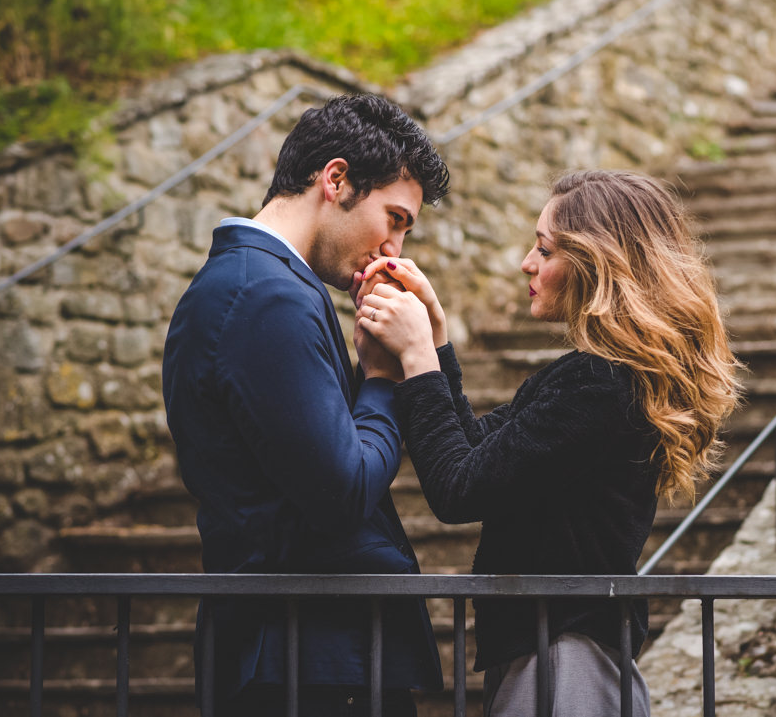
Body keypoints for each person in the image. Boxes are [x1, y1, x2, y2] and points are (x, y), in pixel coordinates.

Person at [355, 169, 742, 716]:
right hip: (551, 650)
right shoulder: (595, 379)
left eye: (544, 249)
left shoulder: (601, 386)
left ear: (597, 263)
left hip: (564, 658)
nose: (526, 263)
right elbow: (472, 455)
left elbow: (457, 490)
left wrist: (417, 358)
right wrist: (437, 338)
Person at [162, 93, 449, 717]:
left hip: (298, 657)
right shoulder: (266, 296)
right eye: (394, 218)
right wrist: (380, 375)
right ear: (336, 179)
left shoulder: (256, 286)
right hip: (307, 666)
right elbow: (344, 490)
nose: (394, 247)